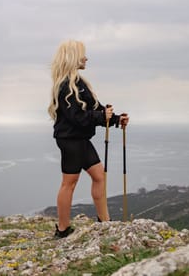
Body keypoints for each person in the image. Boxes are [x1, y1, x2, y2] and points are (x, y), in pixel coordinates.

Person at [48, 40, 129, 238]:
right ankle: (63, 229)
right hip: (70, 140)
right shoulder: (66, 86)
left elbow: (96, 110)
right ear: (73, 57)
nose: (86, 58)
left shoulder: (79, 83)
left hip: (80, 139)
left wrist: (116, 119)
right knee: (70, 182)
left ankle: (104, 221)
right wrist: (103, 117)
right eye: (83, 54)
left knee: (98, 176)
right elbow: (77, 117)